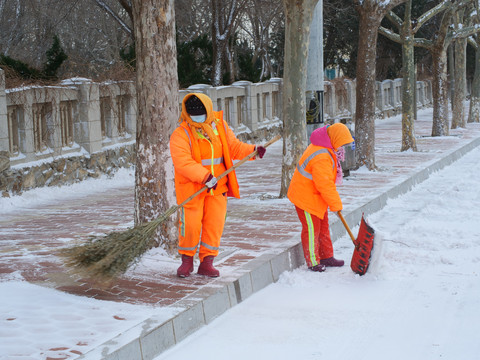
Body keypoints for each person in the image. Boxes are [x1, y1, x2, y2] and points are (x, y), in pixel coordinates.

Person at [169, 93, 266, 278]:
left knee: (214, 225)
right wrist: (205, 177)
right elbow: (182, 162)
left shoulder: (219, 126)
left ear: (208, 110)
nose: (197, 117)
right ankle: (186, 261)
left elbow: (234, 147)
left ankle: (207, 262)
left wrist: (253, 151)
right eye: (193, 114)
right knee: (190, 225)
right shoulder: (181, 134)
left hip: (218, 187)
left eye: (201, 113)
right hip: (193, 188)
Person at [287, 123, 354, 272]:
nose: (342, 147)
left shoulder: (326, 148)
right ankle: (313, 261)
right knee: (312, 230)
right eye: (341, 143)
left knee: (323, 228)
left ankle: (326, 256)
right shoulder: (321, 155)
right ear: (334, 138)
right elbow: (324, 184)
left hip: (316, 197)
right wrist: (336, 204)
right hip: (305, 198)